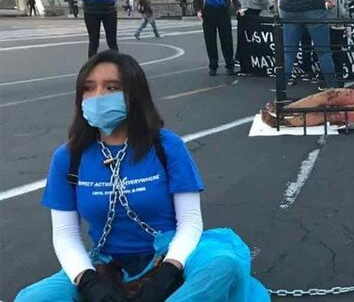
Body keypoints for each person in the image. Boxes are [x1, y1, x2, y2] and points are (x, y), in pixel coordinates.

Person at [15, 50, 269, 302]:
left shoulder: (166, 146)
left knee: (222, 267)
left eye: (112, 87)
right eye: (89, 88)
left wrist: (170, 270)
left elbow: (190, 221)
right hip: (108, 263)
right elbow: (65, 234)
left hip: (174, 252)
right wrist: (88, 281)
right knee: (34, 298)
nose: (98, 96)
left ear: (134, 94)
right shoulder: (69, 157)